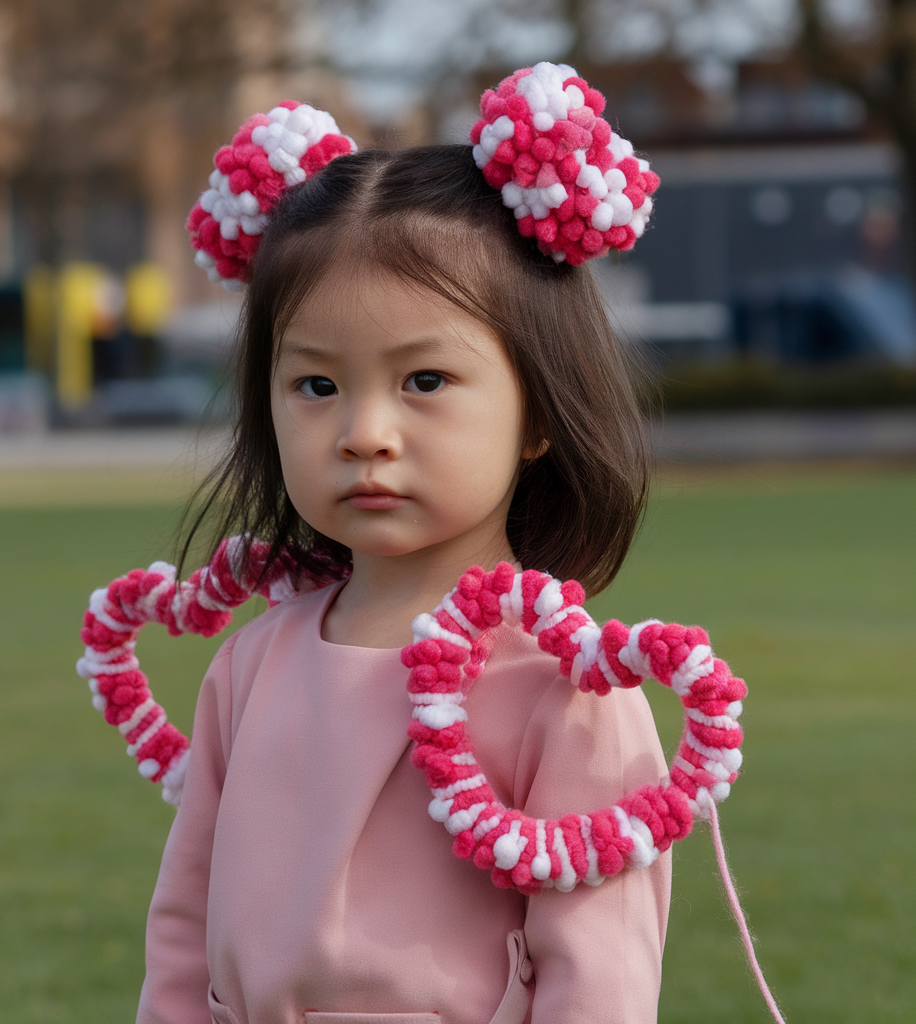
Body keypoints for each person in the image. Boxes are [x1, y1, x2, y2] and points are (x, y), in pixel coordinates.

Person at [80, 62, 740, 1024]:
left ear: (537, 412)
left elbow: (599, 977)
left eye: (425, 380)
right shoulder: (250, 664)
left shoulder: (569, 690)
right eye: (316, 386)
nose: (365, 433)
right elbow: (184, 929)